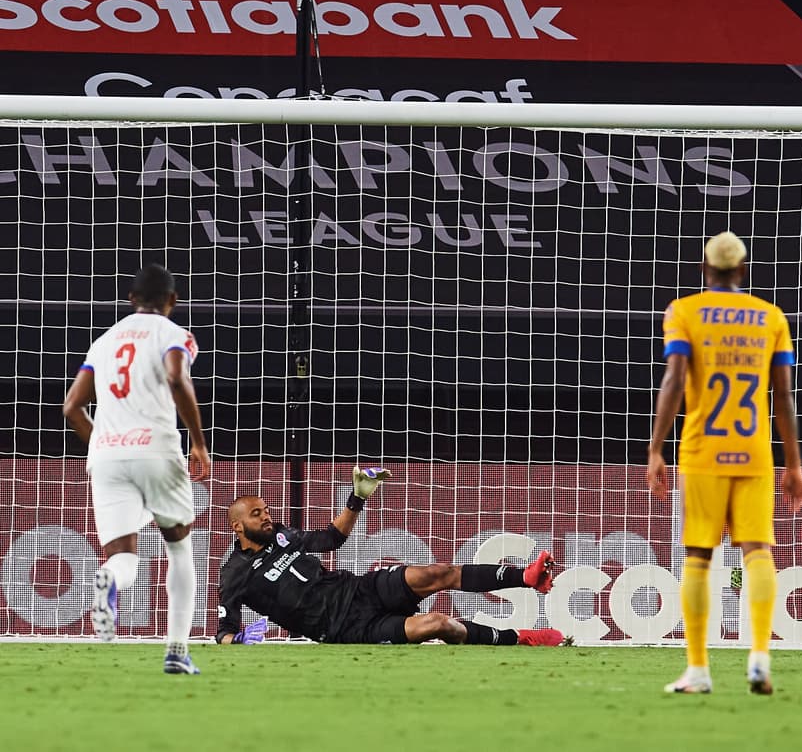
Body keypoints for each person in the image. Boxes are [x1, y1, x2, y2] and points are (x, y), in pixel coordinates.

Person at [646, 231, 802, 696]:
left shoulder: (684, 312)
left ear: (704, 269)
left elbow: (674, 380)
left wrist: (656, 448)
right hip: (755, 452)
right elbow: (784, 397)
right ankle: (759, 655)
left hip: (702, 452)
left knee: (699, 556)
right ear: (742, 270)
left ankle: (698, 670)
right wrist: (793, 464)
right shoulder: (771, 317)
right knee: (758, 551)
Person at [216, 469, 565, 647]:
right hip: (347, 629)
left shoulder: (282, 535)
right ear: (237, 526)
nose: (265, 516)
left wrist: (357, 497)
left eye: (265, 509)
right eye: (256, 514)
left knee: (437, 572)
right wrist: (241, 639)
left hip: (360, 589)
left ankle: (526, 577)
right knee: (438, 624)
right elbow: (223, 632)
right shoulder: (235, 574)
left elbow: (332, 538)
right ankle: (519, 638)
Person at [62, 264, 210, 675]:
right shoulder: (172, 334)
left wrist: (106, 446)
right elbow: (177, 377)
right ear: (172, 301)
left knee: (123, 557)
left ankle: (108, 580)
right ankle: (177, 650)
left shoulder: (104, 341)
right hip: (157, 450)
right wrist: (198, 442)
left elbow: (71, 407)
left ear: (130, 300)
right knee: (179, 549)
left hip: (106, 456)